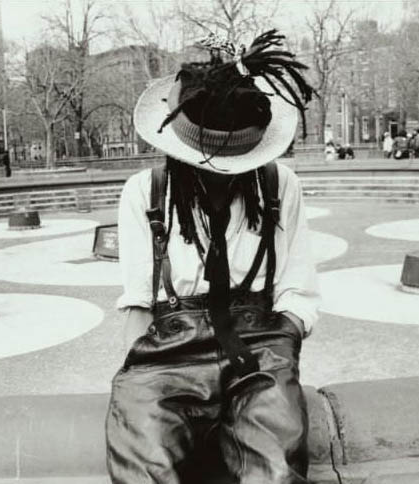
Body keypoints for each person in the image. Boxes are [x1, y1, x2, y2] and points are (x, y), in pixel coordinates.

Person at [107, 30, 320, 483]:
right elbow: (139, 303)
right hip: (168, 350)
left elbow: (297, 291)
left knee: (277, 473)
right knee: (144, 470)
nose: (223, 176)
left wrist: (277, 357)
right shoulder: (144, 193)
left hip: (260, 344)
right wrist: (151, 380)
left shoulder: (280, 185)